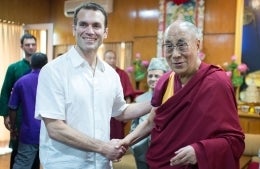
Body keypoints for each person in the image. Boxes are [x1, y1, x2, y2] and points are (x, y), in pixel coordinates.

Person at [34, 3, 152, 169]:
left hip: (102, 164)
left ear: (105, 32)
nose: (90, 31)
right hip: (65, 164)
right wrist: (103, 147)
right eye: (83, 24)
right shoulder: (53, 71)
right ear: (74, 28)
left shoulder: (110, 75)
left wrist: (156, 101)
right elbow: (55, 128)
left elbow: (121, 111)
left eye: (96, 25)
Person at [118, 20, 245, 169]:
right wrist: (125, 142)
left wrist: (199, 151)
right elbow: (151, 122)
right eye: (169, 47)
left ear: (197, 45)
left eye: (182, 45)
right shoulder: (165, 81)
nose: (175, 54)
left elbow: (234, 141)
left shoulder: (217, 82)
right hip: (161, 163)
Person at [0, 33, 38, 169]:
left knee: (37, 153)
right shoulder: (14, 68)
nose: (31, 47)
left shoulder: (45, 68)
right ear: (22, 46)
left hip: (38, 117)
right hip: (19, 115)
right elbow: (5, 92)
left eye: (33, 44)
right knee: (18, 152)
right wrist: (5, 116)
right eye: (27, 45)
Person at [8, 52, 48, 169]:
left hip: (29, 132)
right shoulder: (54, 81)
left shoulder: (21, 82)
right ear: (46, 64)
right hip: (52, 132)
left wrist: (13, 128)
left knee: (22, 164)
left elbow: (12, 107)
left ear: (31, 63)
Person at [130, 57, 169, 169]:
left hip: (163, 151)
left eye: (157, 76)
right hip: (141, 151)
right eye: (150, 76)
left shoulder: (170, 97)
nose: (152, 79)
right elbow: (134, 126)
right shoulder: (140, 99)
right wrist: (135, 146)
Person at [104, 50, 135, 139]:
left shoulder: (122, 74)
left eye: (114, 58)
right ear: (104, 59)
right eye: (109, 58)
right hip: (103, 110)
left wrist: (126, 112)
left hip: (117, 111)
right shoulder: (98, 73)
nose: (112, 60)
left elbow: (128, 94)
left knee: (116, 137)